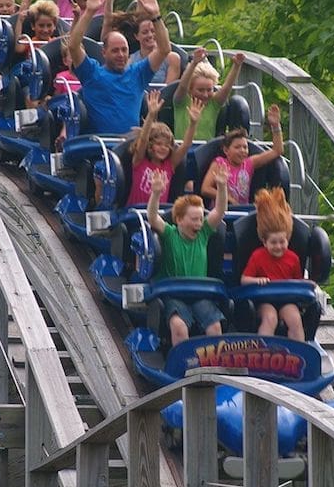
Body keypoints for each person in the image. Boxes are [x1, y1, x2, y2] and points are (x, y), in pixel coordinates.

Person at [69, 0, 171, 135]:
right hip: (99, 146)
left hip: (129, 146)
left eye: (124, 50)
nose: (121, 55)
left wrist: (156, 16)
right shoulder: (92, 72)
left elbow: (164, 49)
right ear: (104, 52)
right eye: (115, 51)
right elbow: (73, 46)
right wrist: (89, 12)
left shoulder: (137, 73)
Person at [147, 164, 229, 346]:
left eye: (200, 219)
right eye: (194, 220)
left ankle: (215, 367)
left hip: (200, 293)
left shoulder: (204, 234)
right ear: (179, 220)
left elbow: (219, 211)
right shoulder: (170, 234)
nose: (199, 223)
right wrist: (156, 194)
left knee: (214, 327)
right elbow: (153, 218)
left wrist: (222, 188)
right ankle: (183, 367)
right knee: (179, 326)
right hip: (175, 293)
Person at [240, 187, 309, 341]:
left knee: (295, 319)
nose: (278, 246)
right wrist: (256, 281)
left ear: (288, 239)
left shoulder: (293, 258)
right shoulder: (257, 256)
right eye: (273, 242)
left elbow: (297, 282)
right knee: (270, 318)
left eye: (282, 242)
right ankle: (263, 354)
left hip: (286, 300)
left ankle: (297, 356)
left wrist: (306, 284)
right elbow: (244, 279)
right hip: (265, 300)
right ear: (264, 242)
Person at [123, 91, 204, 206]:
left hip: (158, 214)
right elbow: (143, 140)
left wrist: (193, 123)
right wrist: (151, 115)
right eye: (159, 144)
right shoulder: (140, 161)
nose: (163, 148)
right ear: (150, 145)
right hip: (137, 211)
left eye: (167, 145)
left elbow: (186, 145)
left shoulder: (169, 165)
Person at [200, 104, 284, 205]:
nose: (242, 150)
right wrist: (229, 199)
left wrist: (275, 126)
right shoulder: (219, 163)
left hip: (242, 209)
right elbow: (205, 188)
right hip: (222, 210)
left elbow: (277, 151)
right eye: (237, 147)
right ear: (226, 150)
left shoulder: (249, 163)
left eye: (245, 147)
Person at [173, 48, 245, 142]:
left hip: (205, 151)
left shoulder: (213, 104)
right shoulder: (181, 102)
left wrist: (236, 66)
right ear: (190, 89)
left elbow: (226, 88)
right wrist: (194, 63)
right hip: (182, 150)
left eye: (209, 90)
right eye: (200, 90)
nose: (205, 95)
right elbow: (183, 86)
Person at [127, 16, 181, 85]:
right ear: (136, 36)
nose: (150, 35)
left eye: (153, 31)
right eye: (145, 32)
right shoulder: (130, 61)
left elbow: (168, 90)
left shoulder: (172, 59)